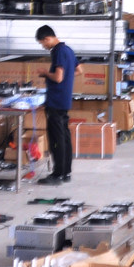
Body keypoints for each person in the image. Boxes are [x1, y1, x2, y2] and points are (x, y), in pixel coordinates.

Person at [36, 25, 76, 185]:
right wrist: (68, 78)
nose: (44, 46)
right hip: (64, 100)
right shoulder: (69, 50)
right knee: (64, 137)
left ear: (47, 38)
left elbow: (58, 77)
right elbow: (79, 70)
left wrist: (45, 73)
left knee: (56, 139)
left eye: (42, 43)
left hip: (56, 100)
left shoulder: (58, 51)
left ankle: (57, 174)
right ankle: (66, 172)